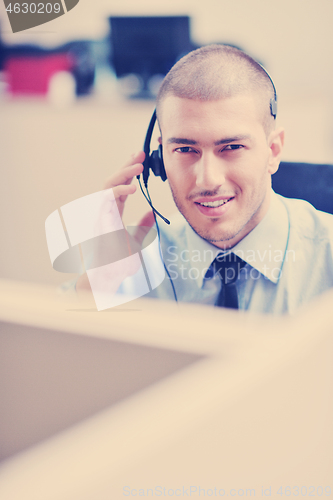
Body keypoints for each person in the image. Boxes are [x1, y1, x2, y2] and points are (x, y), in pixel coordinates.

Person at [76, 44, 333, 314]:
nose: (208, 180)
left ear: (273, 151)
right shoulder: (134, 258)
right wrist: (100, 281)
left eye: (232, 148)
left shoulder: (326, 257)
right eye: (185, 150)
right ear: (160, 159)